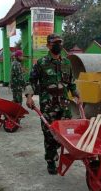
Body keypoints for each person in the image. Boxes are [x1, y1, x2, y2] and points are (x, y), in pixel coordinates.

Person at [25, 33, 81, 175]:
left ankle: (59, 152)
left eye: (60, 42)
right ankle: (50, 160)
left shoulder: (66, 63)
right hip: (48, 106)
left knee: (66, 133)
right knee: (49, 134)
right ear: (49, 45)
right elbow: (31, 81)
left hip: (64, 105)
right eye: (55, 42)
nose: (58, 45)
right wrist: (29, 97)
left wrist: (77, 94)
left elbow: (71, 82)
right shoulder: (41, 63)